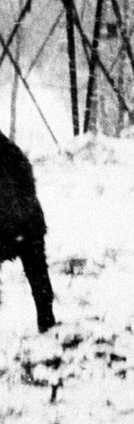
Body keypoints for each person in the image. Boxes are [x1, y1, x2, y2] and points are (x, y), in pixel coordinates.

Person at [0, 131, 55, 332]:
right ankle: (47, 323)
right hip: (27, 223)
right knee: (38, 275)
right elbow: (26, 176)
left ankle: (47, 322)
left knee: (38, 275)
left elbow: (24, 178)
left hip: (16, 225)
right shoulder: (11, 151)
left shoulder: (9, 152)